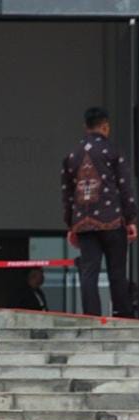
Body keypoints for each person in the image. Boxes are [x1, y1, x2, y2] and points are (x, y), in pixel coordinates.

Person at [62, 106, 137, 316]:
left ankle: (91, 317)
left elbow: (67, 194)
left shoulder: (72, 156)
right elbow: (124, 187)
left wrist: (71, 225)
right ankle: (122, 316)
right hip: (112, 220)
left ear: (85, 127)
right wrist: (131, 218)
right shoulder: (113, 152)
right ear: (105, 126)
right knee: (117, 272)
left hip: (84, 224)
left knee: (89, 272)